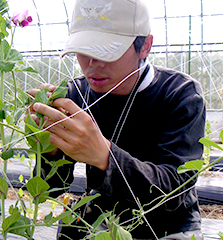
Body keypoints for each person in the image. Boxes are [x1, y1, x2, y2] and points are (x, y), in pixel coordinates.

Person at [28, 0, 206, 239]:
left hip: (168, 223)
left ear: (145, 46)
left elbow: (175, 191)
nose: (93, 64)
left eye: (107, 49)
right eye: (84, 50)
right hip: (103, 214)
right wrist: (47, 148)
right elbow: (51, 190)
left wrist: (104, 157)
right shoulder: (75, 95)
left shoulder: (179, 93)